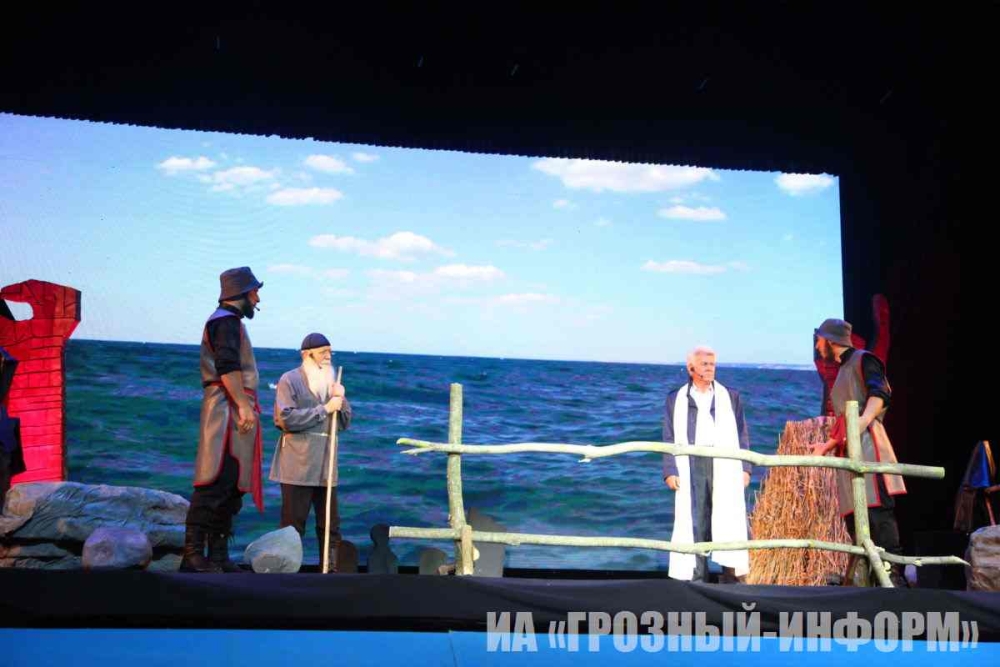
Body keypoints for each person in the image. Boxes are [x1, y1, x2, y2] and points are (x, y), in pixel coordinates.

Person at [810, 318, 907, 586]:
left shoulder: (864, 360)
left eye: (819, 340)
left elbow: (880, 394)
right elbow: (844, 420)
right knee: (856, 520)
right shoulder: (843, 370)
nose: (817, 346)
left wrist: (862, 422)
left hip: (869, 447)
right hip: (849, 451)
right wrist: (827, 446)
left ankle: (892, 579)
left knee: (877, 515)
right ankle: (866, 581)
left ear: (831, 341)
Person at [180, 267, 264, 573]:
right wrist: (242, 406)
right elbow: (227, 367)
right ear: (241, 293)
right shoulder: (224, 322)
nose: (257, 299)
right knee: (214, 480)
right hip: (225, 410)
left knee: (231, 484)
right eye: (254, 292)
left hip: (232, 408)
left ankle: (217, 554)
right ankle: (192, 554)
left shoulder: (231, 322)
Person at [663, 346, 752, 582]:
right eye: (704, 364)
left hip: (725, 463)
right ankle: (697, 579)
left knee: (728, 520)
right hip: (691, 463)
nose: (710, 368)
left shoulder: (730, 396)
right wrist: (670, 469)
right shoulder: (676, 398)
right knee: (695, 521)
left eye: (713, 364)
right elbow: (669, 437)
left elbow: (742, 433)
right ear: (691, 368)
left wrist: (745, 467)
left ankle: (731, 580)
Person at [269, 333, 352, 571]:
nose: (328, 356)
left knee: (331, 526)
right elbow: (285, 418)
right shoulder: (290, 379)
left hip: (326, 467)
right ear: (307, 354)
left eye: (330, 351)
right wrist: (324, 409)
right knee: (292, 527)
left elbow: (344, 423)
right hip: (298, 465)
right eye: (323, 351)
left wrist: (341, 399)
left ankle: (330, 570)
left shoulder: (331, 383)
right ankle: (286, 573)